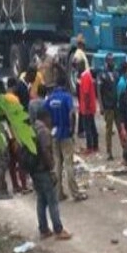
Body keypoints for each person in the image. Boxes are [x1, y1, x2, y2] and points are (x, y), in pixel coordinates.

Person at [24, 109, 72, 240]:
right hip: (42, 169)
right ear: (45, 118)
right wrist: (51, 168)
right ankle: (58, 229)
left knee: (41, 199)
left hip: (33, 170)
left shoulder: (32, 129)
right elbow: (45, 150)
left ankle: (43, 229)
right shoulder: (44, 131)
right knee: (52, 200)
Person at [44, 72, 84, 201]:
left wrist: (50, 128)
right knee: (68, 164)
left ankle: (58, 193)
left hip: (54, 134)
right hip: (65, 133)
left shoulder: (50, 98)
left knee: (57, 164)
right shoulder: (66, 97)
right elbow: (72, 113)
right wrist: (72, 129)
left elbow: (45, 114)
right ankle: (75, 193)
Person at [98, 54, 120, 160]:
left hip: (116, 105)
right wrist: (101, 106)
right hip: (108, 106)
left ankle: (126, 151)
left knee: (121, 128)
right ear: (107, 62)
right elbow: (99, 91)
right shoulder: (102, 75)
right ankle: (109, 151)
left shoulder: (116, 74)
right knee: (109, 129)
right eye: (110, 61)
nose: (113, 63)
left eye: (113, 61)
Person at [76, 59, 99, 154]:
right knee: (92, 126)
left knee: (88, 128)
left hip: (87, 107)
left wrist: (85, 108)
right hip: (91, 106)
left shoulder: (84, 77)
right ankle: (95, 145)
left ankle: (89, 147)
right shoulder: (88, 75)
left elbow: (85, 93)